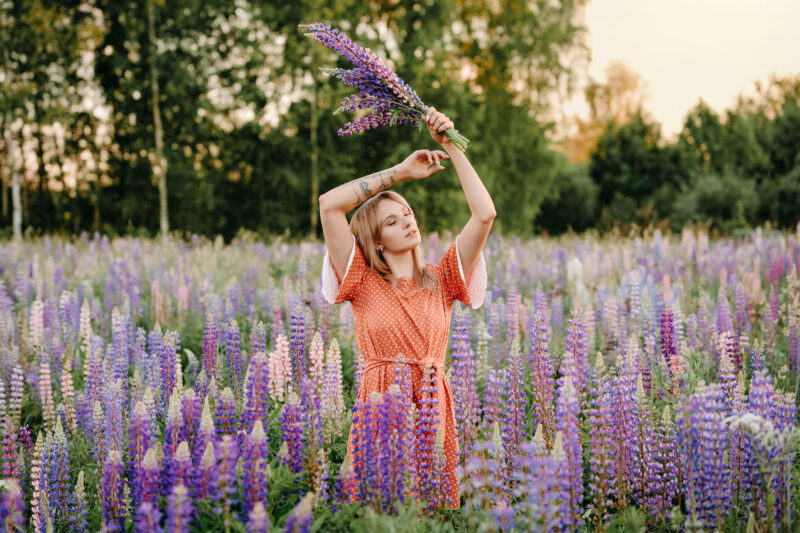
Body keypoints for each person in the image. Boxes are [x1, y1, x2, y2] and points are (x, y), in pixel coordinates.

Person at [318, 107, 496, 509]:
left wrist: (450, 144)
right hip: (380, 408)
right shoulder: (361, 278)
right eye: (394, 221)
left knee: (430, 512)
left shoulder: (445, 276)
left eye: (408, 213)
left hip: (432, 407)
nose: (408, 222)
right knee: (379, 511)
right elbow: (329, 204)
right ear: (376, 240)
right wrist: (398, 172)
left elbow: (485, 214)